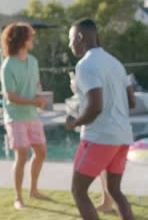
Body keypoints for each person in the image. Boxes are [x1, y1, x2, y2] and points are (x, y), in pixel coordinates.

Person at [65, 18, 136, 220]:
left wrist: (74, 122)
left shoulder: (85, 65)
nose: (70, 45)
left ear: (80, 37)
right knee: (116, 191)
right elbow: (131, 102)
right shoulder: (115, 63)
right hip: (123, 136)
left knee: (78, 191)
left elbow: (96, 106)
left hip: (99, 137)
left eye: (71, 40)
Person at [0, 22, 49, 209]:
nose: (33, 39)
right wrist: (34, 102)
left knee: (41, 152)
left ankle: (34, 190)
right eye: (30, 36)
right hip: (15, 117)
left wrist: (39, 96)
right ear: (22, 39)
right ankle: (18, 198)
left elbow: (36, 84)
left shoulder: (33, 61)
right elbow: (11, 97)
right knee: (22, 156)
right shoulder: (7, 66)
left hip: (32, 115)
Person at [70, 71, 115, 213]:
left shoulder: (90, 72)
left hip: (99, 132)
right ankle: (107, 201)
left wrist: (76, 87)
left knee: (79, 188)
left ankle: (108, 202)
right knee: (104, 169)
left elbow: (93, 104)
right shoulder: (107, 72)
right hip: (106, 129)